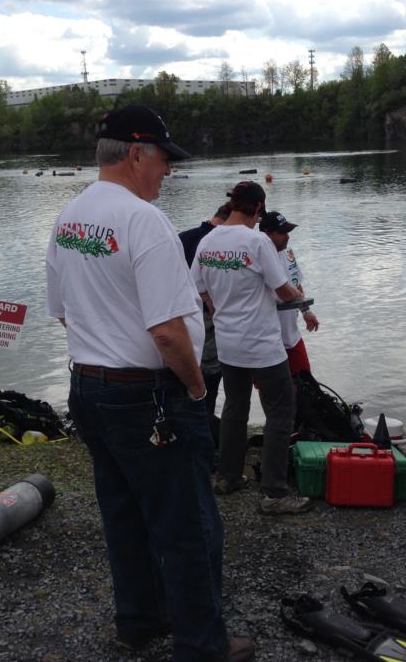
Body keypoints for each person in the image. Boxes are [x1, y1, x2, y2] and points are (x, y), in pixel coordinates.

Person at [45, 105, 254, 662]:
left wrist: (104, 350)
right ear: (137, 154)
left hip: (90, 390)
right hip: (151, 395)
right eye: (164, 159)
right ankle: (201, 644)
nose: (168, 171)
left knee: (124, 514)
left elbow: (65, 311)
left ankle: (139, 620)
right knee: (188, 525)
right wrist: (193, 390)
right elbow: (167, 332)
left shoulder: (69, 218)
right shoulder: (144, 222)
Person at [191, 181, 311, 515]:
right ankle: (274, 492)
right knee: (280, 409)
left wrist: (218, 311)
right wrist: (301, 298)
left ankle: (227, 477)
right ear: (258, 207)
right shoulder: (257, 241)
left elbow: (198, 288)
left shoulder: (207, 242)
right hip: (261, 344)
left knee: (235, 406)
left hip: (229, 344)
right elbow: (283, 290)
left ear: (233, 205)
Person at [179, 203, 233, 444]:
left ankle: (193, 428)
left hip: (180, 320)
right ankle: (206, 434)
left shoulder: (183, 238)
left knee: (187, 379)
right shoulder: (218, 241)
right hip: (208, 319)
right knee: (209, 379)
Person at [259, 211, 319, 376]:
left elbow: (296, 282)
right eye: (282, 233)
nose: (287, 237)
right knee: (276, 396)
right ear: (267, 235)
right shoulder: (257, 256)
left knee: (307, 384)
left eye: (288, 232)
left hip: (292, 336)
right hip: (268, 342)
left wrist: (306, 311)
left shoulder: (288, 252)